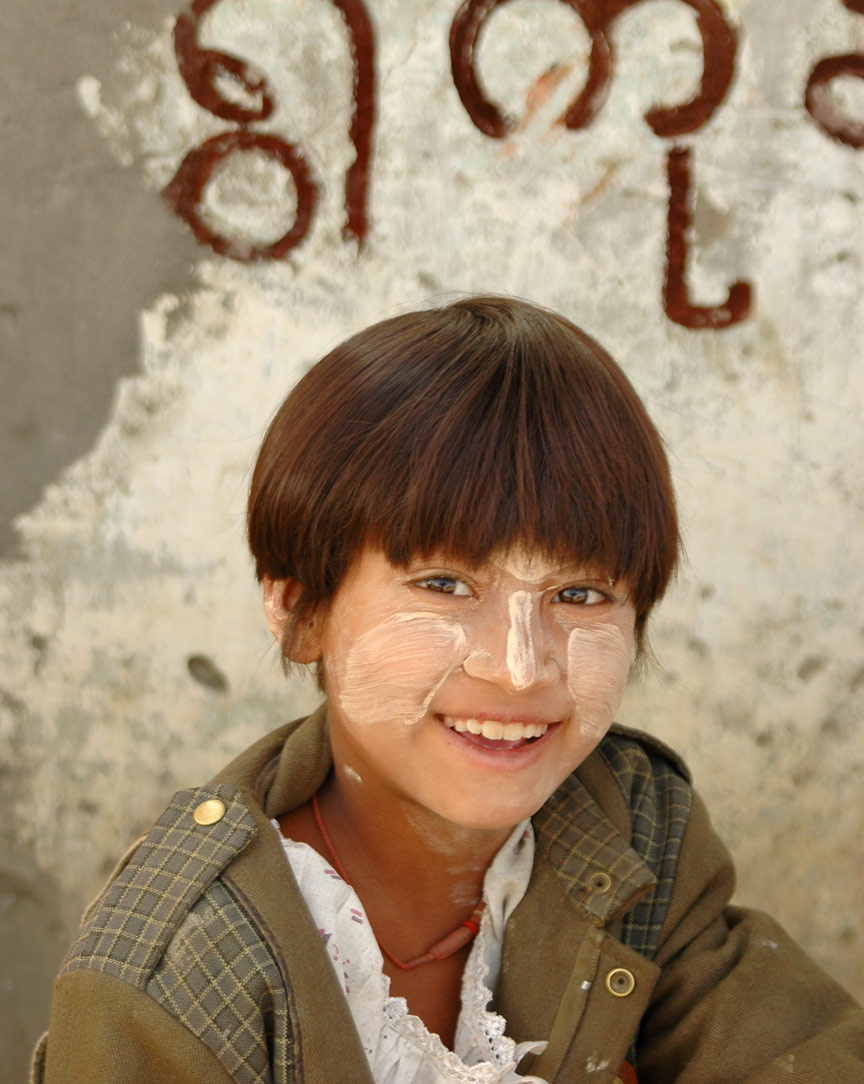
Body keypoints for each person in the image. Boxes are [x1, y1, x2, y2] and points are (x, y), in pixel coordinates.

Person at [33, 295, 864, 1084]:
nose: (520, 667)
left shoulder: (628, 826)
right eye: (443, 584)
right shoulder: (180, 966)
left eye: (579, 596)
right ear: (299, 612)